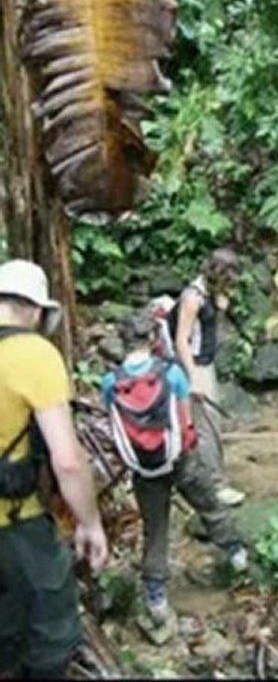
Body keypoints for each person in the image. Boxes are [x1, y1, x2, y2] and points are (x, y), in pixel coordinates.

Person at [102, 313, 248, 629]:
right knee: (208, 503)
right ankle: (236, 554)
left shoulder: (111, 382)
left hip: (143, 469)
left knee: (154, 529)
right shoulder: (171, 374)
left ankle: (156, 596)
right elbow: (184, 420)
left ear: (123, 342)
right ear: (155, 340)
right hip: (180, 457)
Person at [0, 259, 109, 679]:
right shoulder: (33, 353)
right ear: (37, 310)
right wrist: (90, 523)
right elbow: (67, 459)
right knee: (51, 637)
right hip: (16, 525)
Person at [168, 248, 245, 507]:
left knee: (211, 425)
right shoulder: (193, 297)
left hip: (206, 364)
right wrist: (193, 378)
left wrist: (221, 306)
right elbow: (182, 339)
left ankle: (210, 480)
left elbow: (208, 326)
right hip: (195, 366)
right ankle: (215, 487)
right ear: (219, 274)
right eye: (229, 278)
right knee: (207, 428)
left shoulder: (211, 293)